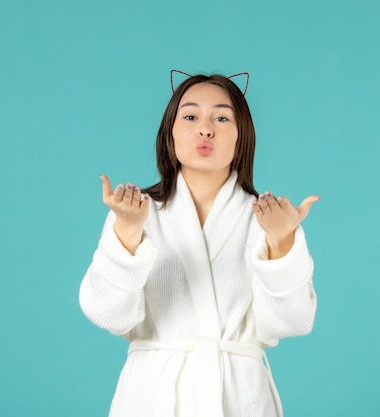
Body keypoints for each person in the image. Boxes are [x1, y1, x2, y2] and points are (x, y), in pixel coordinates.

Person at [79, 72, 320, 417]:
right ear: (170, 133)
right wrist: (128, 233)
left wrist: (281, 241)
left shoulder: (269, 219)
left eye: (222, 118)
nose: (205, 129)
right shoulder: (136, 213)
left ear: (242, 135)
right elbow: (110, 315)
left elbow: (290, 322)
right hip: (152, 398)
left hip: (239, 399)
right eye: (190, 117)